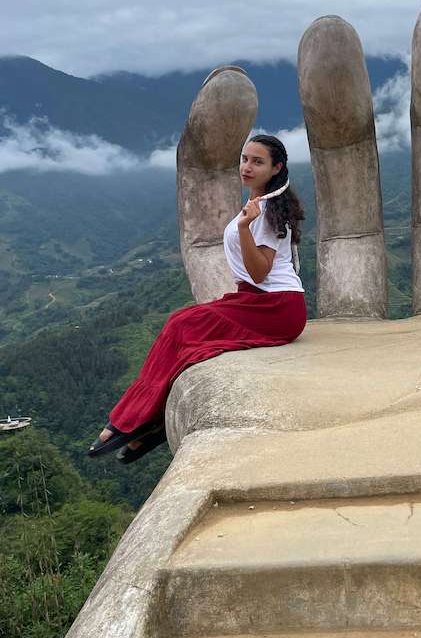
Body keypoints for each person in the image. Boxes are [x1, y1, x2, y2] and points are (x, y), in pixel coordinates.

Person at [87, 134, 307, 463]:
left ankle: (135, 420)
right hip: (259, 300)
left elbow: (260, 272)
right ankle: (148, 422)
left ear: (276, 168)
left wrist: (245, 228)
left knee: (184, 326)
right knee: (181, 322)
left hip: (276, 306)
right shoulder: (259, 205)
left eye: (257, 161)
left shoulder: (268, 212)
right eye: (245, 159)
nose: (247, 167)